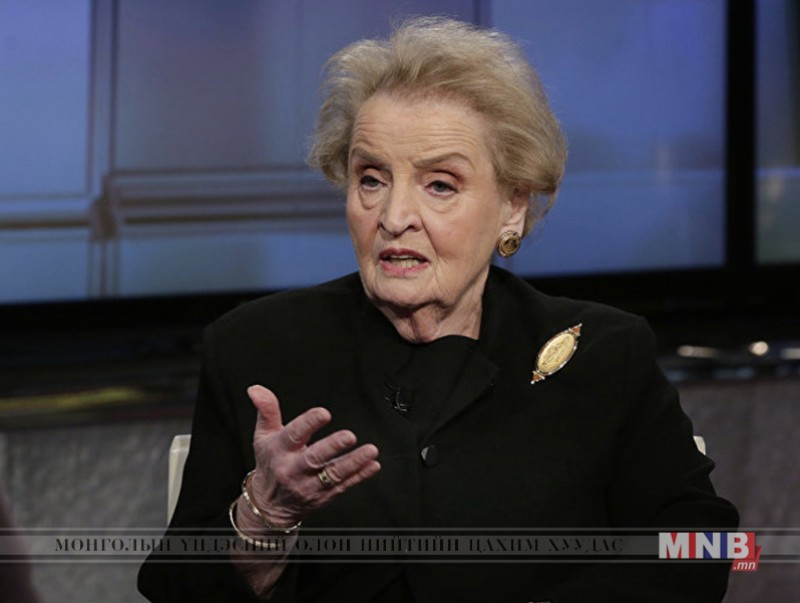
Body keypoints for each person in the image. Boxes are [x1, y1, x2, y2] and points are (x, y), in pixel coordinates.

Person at [139, 17, 738, 602]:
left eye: (440, 185)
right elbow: (175, 586)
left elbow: (710, 547)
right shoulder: (257, 349)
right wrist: (263, 518)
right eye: (371, 179)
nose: (394, 216)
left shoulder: (604, 352)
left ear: (512, 205)